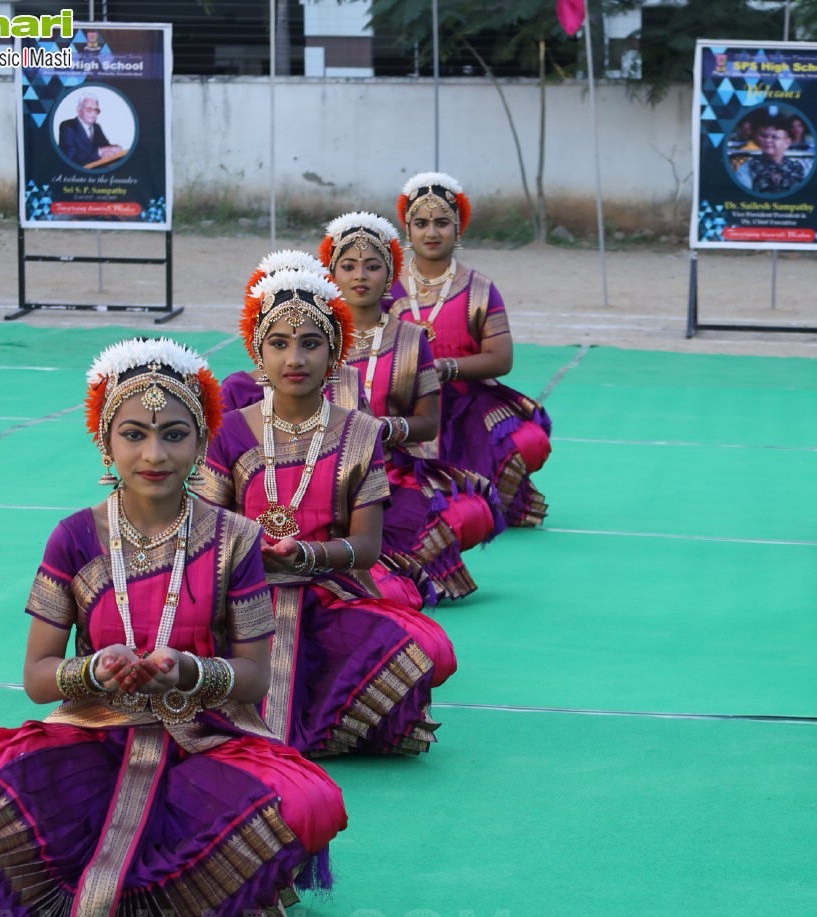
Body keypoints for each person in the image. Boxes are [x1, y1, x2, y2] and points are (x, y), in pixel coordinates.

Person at [0, 338, 348, 917]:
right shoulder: (74, 536)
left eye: (174, 435)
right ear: (106, 442)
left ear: (200, 443)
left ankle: (127, 906)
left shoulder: (236, 539)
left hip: (205, 738)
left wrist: (190, 671)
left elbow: (256, 678)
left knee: (310, 803)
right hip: (92, 733)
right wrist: (93, 670)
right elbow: (38, 677)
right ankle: (177, 907)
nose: (154, 455)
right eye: (134, 435)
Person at [199, 266, 456, 756]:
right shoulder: (229, 431)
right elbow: (206, 528)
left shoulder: (361, 432)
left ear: (334, 349)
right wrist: (248, 555)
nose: (294, 358)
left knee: (419, 653)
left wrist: (306, 556)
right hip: (242, 596)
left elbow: (367, 547)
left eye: (311, 344)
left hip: (330, 592)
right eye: (278, 343)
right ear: (257, 350)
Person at [321, 211, 498, 601]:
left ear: (390, 274)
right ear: (330, 274)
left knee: (470, 514)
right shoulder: (314, 339)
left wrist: (382, 429)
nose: (360, 276)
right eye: (348, 266)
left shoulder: (412, 339)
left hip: (390, 471)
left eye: (372, 266)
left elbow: (428, 423)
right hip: (319, 473)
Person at [388, 171, 553, 528]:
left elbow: (501, 359)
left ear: (458, 227)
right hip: (402, 406)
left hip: (466, 408)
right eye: (421, 223)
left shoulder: (479, 288)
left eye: (442, 223)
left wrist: (445, 369)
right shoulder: (386, 287)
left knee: (528, 441)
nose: (431, 233)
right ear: (407, 229)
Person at [735, 110, 812, 194]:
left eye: (774, 137)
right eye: (765, 136)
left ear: (787, 143)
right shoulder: (747, 168)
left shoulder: (800, 168)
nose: (768, 140)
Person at [58, 94, 125, 167]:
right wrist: (100, 151)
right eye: (89, 109)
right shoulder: (68, 126)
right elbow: (70, 157)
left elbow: (105, 145)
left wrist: (112, 150)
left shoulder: (96, 127)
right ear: (79, 110)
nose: (93, 113)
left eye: (96, 110)